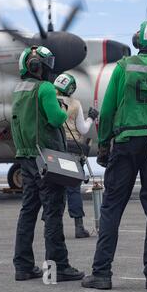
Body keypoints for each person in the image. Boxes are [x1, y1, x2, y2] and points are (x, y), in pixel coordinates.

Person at [82, 20, 147, 290]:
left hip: (127, 140)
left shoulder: (123, 67)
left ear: (138, 41)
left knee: (112, 208)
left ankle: (102, 274)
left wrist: (104, 144)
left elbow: (106, 111)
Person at [11, 46, 84, 282]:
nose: (48, 68)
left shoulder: (18, 90)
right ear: (35, 66)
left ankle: (23, 266)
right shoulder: (44, 89)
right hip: (47, 159)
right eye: (45, 64)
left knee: (28, 212)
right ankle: (58, 268)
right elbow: (56, 119)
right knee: (53, 212)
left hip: (26, 157)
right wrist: (63, 110)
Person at [53, 73, 99, 239]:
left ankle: (52, 227)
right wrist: (91, 117)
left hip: (54, 150)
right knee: (73, 190)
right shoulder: (75, 104)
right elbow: (84, 130)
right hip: (72, 150)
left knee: (53, 190)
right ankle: (79, 227)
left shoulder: (49, 101)